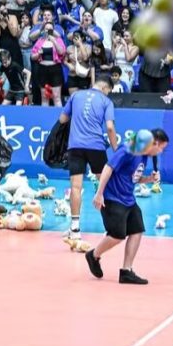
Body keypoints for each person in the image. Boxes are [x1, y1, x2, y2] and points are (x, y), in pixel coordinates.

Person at [87, 129, 169, 285]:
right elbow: (108, 168)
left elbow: (134, 178)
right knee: (117, 236)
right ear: (155, 143)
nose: (161, 151)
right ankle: (94, 255)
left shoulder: (145, 155)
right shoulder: (127, 149)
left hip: (128, 199)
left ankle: (126, 271)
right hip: (113, 198)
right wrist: (99, 193)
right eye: (161, 148)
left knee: (137, 230)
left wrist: (149, 179)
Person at [58, 74, 118, 240]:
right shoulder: (106, 102)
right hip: (96, 147)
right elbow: (110, 128)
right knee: (105, 186)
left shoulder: (75, 95)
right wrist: (116, 150)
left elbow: (62, 119)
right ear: (106, 88)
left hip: (75, 146)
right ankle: (112, 227)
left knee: (76, 188)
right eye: (108, 92)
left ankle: (75, 229)